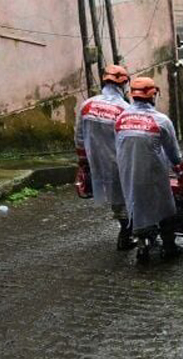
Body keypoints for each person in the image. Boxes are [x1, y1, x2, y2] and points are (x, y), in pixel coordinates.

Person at [115, 77, 183, 261]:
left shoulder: (121, 119)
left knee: (136, 206)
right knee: (165, 207)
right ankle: (169, 246)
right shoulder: (161, 121)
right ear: (153, 95)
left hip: (128, 173)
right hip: (154, 174)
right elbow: (174, 155)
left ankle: (142, 246)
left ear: (132, 96)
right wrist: (182, 174)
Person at [74, 64, 133, 250]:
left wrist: (84, 159)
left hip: (96, 160)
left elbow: (79, 135)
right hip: (119, 162)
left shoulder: (87, 105)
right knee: (125, 198)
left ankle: (126, 231)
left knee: (115, 199)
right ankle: (126, 234)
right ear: (124, 84)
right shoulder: (125, 109)